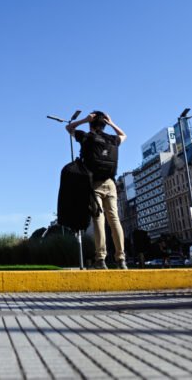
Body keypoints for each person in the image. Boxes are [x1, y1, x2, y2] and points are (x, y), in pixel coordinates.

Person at [66, 111, 127, 269]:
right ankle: (121, 259)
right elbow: (124, 135)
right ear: (104, 124)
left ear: (91, 124)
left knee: (98, 220)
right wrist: (112, 122)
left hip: (94, 185)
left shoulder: (86, 138)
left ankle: (101, 259)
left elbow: (69, 127)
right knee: (114, 220)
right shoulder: (112, 140)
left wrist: (85, 119)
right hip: (111, 184)